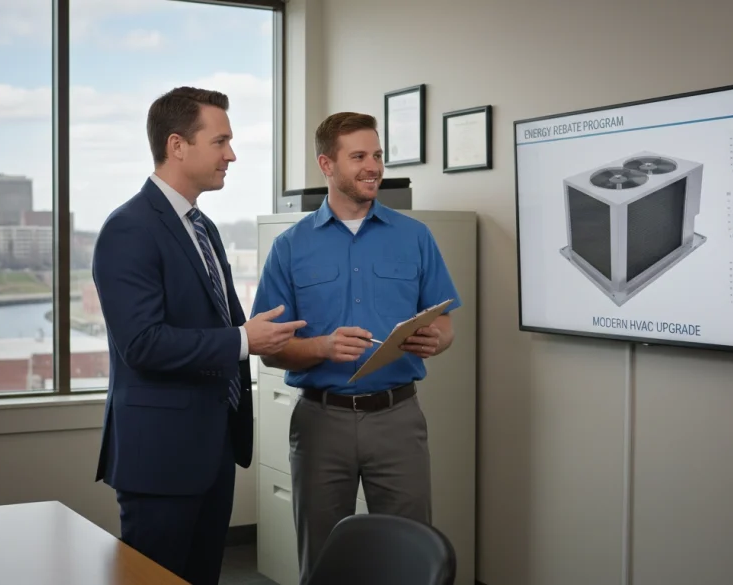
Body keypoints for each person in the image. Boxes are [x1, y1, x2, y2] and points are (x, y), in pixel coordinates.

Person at [91, 86, 306, 585]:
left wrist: (268, 336)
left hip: (212, 451)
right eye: (221, 141)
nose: (231, 154)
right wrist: (244, 340)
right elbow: (142, 344)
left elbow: (223, 322)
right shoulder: (129, 229)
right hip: (160, 459)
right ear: (177, 145)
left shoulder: (202, 226)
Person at [250, 111, 461, 584]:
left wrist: (437, 338)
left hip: (398, 420)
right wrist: (321, 347)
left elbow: (444, 322)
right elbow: (271, 350)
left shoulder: (416, 237)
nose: (373, 167)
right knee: (325, 559)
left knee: (409, 552)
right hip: (321, 422)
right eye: (359, 156)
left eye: (378, 155)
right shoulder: (289, 247)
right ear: (327, 165)